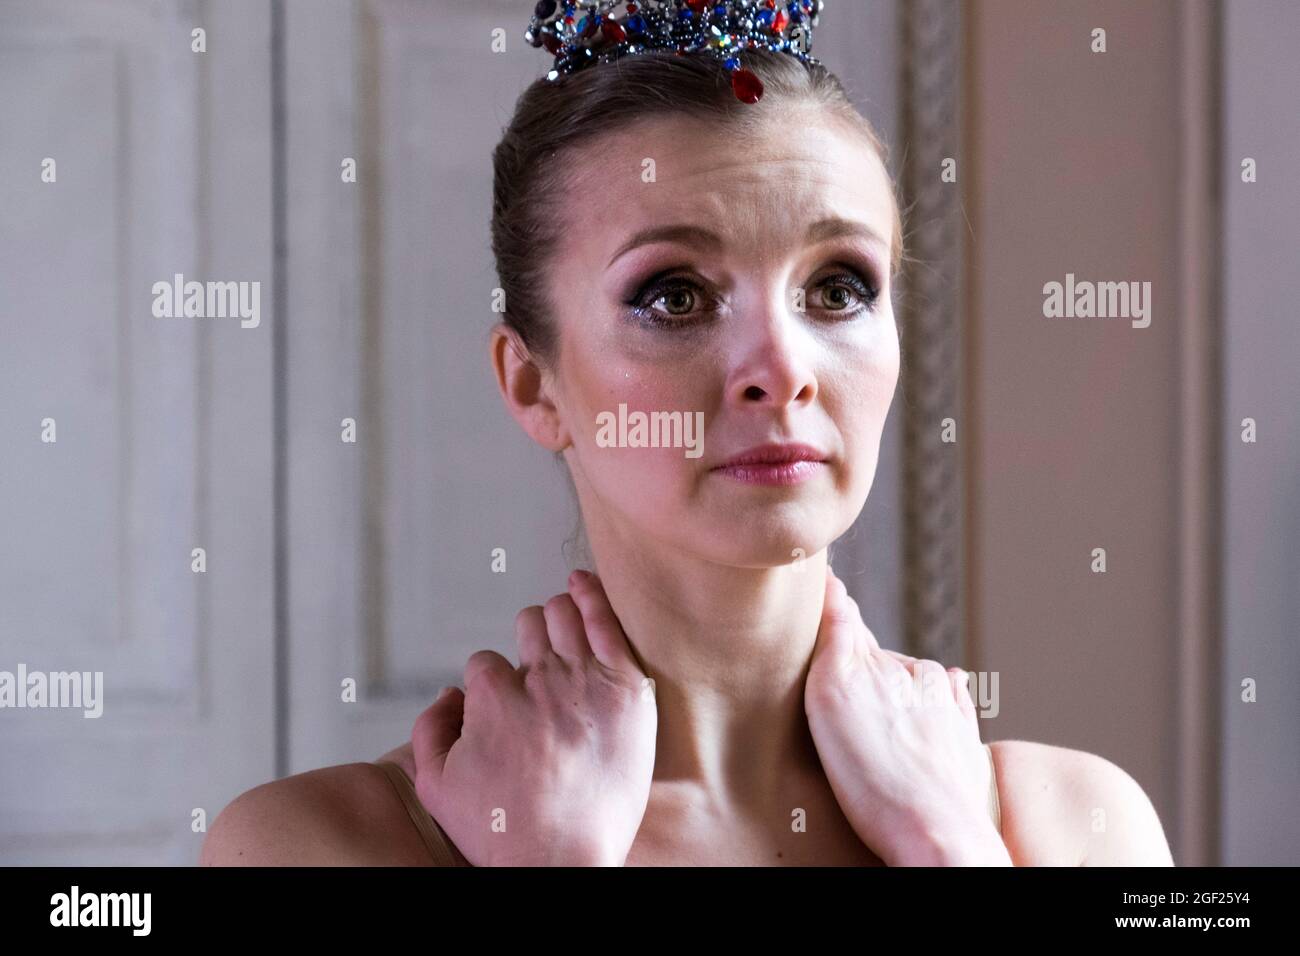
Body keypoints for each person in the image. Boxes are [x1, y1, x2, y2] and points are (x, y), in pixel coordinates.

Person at [201, 1, 1174, 867]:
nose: (782, 366)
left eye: (836, 288)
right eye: (675, 293)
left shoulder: (1072, 822)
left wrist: (949, 851)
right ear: (533, 380)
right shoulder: (311, 843)